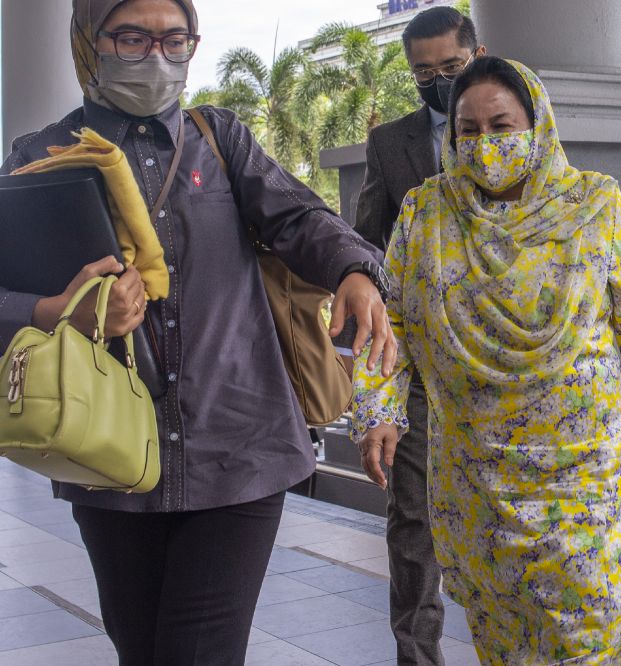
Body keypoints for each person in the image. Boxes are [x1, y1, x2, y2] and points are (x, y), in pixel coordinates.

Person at [0, 1, 393, 664]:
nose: (157, 57)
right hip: (108, 456)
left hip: (239, 445)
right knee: (141, 649)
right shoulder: (41, 158)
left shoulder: (219, 138)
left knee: (200, 652)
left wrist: (354, 268)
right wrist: (57, 311)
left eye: (174, 39)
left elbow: (298, 218)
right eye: (132, 38)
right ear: (90, 43)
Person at [352, 56, 621, 665]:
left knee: (594, 626)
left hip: (579, 471)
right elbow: (392, 320)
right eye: (468, 130)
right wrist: (378, 409)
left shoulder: (594, 204)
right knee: (504, 630)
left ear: (538, 126)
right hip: (474, 472)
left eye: (501, 126)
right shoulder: (426, 213)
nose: (484, 143)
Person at [340, 7, 485, 664]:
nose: (438, 82)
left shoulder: (519, 128)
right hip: (421, 371)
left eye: (450, 67)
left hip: (506, 371)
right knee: (414, 527)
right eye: (423, 73)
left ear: (478, 54)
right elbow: (366, 250)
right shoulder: (390, 143)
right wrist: (376, 395)